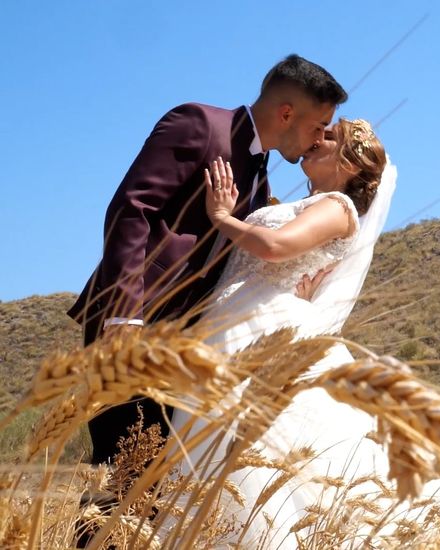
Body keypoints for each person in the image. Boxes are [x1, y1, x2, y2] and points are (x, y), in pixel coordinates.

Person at [67, 54, 347, 466]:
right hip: (136, 322)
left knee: (149, 483)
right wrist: (124, 316)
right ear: (287, 113)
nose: (318, 139)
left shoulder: (260, 175)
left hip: (188, 345)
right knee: (116, 469)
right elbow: (131, 210)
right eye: (317, 126)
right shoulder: (198, 123)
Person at [167, 118, 397, 548]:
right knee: (210, 444)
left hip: (258, 328)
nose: (315, 139)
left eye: (328, 138)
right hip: (232, 322)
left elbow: (275, 248)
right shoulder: (314, 203)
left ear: (348, 163)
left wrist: (221, 216)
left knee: (248, 451)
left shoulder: (338, 207)